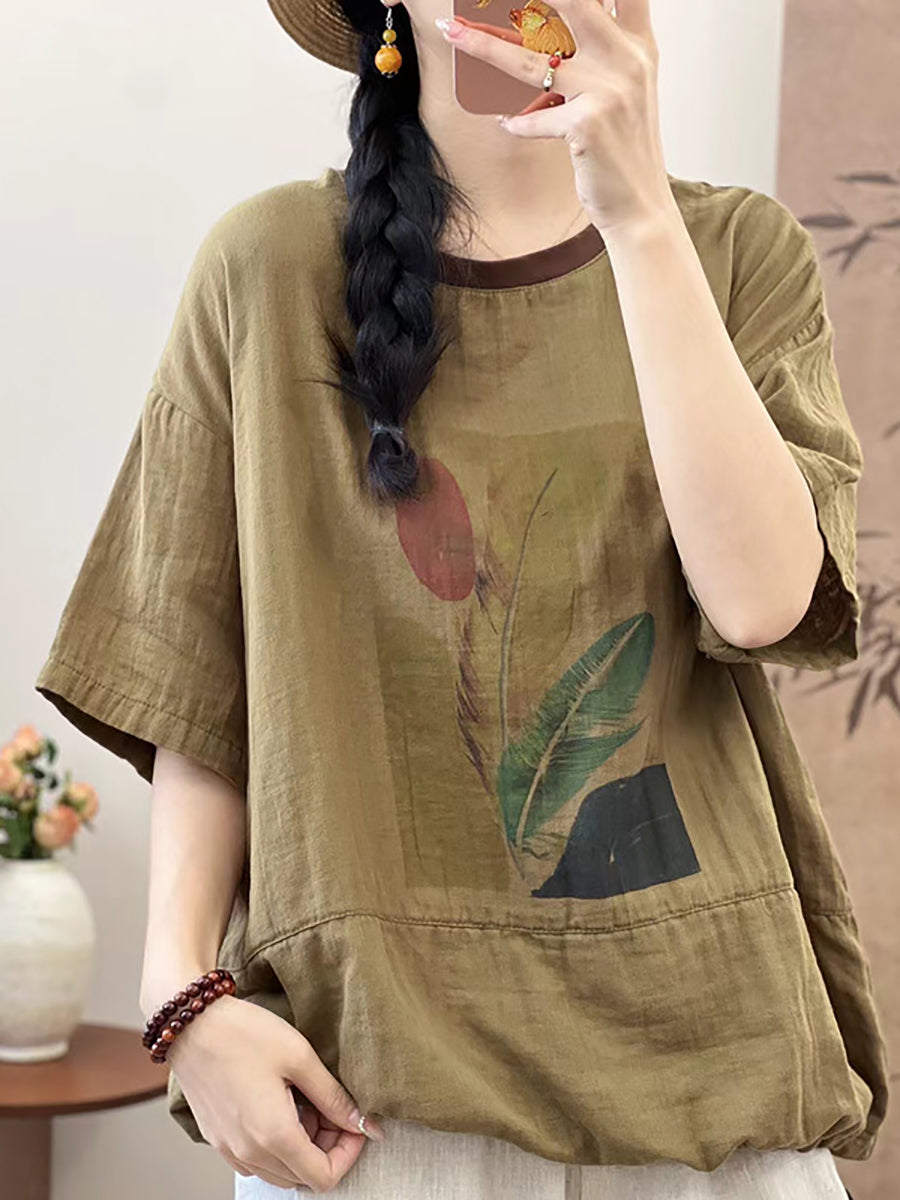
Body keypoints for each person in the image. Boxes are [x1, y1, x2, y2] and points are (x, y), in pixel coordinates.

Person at [33, 0, 885, 1195]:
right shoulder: (267, 268)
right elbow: (198, 667)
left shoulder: (738, 251)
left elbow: (761, 604)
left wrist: (638, 215)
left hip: (707, 1074)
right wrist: (182, 996)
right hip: (368, 1096)